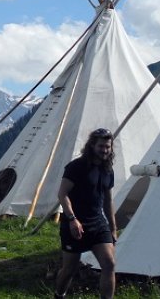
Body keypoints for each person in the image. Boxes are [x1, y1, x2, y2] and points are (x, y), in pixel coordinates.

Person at [54, 128, 118, 299]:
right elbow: (62, 194)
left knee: (109, 264)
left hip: (98, 223)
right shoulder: (76, 167)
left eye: (107, 147)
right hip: (74, 223)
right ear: (92, 145)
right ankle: (59, 294)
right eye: (101, 146)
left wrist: (113, 228)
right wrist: (72, 219)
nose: (104, 150)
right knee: (70, 269)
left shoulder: (108, 170)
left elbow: (107, 201)